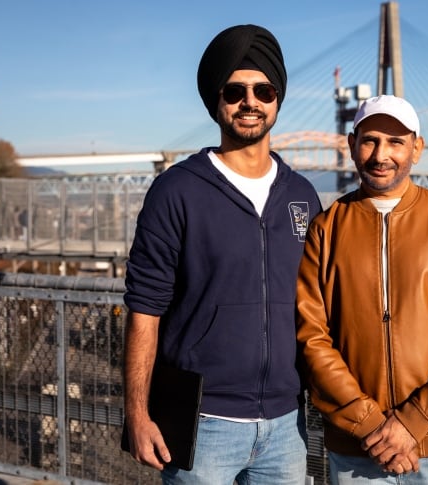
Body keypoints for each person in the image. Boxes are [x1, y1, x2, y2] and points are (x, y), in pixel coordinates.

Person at [123, 24, 321, 484]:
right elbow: (144, 310)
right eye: (235, 91)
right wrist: (136, 412)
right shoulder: (177, 191)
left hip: (287, 425)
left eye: (263, 90)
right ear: (217, 100)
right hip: (202, 423)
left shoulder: (302, 195)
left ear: (278, 99)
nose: (250, 101)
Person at [296, 94, 428, 484]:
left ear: (417, 149)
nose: (380, 154)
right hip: (358, 446)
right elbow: (311, 337)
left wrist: (414, 422)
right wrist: (369, 422)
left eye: (395, 142)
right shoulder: (326, 229)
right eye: (370, 140)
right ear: (352, 145)